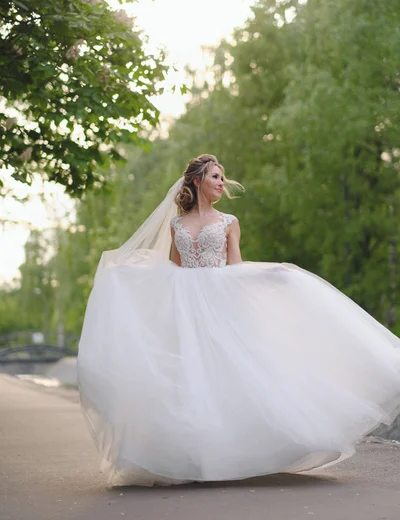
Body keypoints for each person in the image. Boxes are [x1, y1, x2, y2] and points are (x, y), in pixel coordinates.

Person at [78, 153, 400, 487]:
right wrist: (132, 276)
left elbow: (236, 266)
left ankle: (237, 453)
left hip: (220, 303)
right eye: (215, 177)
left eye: (222, 177)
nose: (221, 183)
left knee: (229, 373)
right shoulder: (176, 224)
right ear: (197, 180)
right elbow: (172, 267)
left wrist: (272, 272)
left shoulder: (229, 222)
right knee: (189, 375)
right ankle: (194, 456)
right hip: (185, 307)